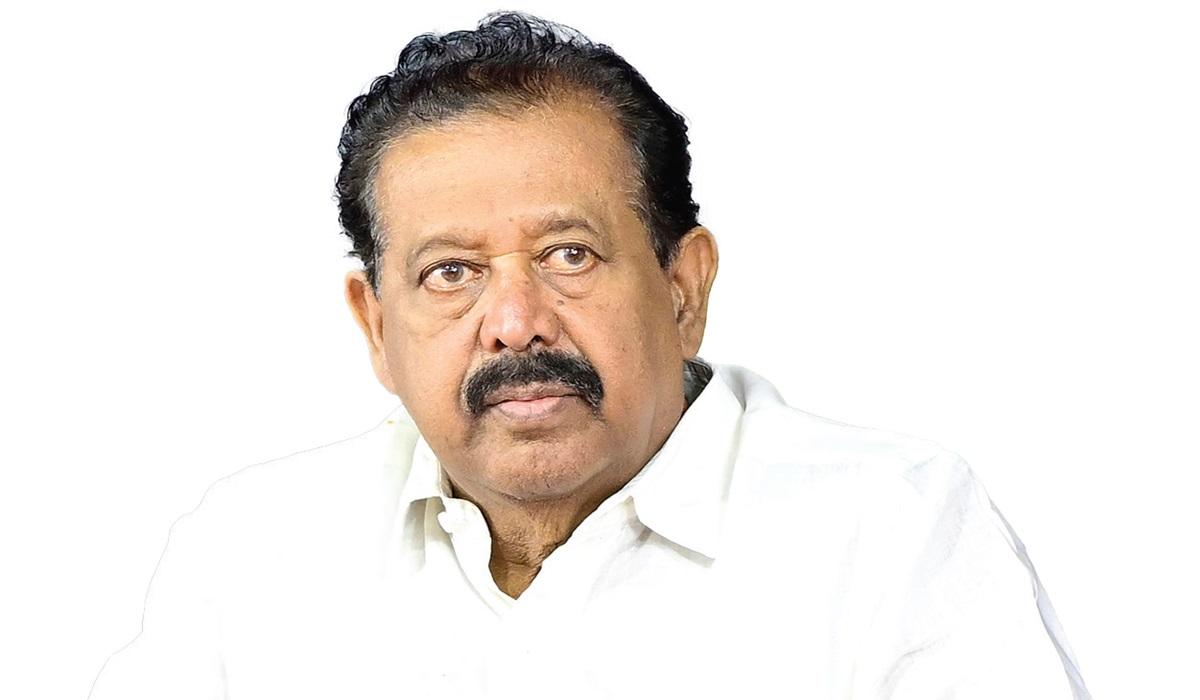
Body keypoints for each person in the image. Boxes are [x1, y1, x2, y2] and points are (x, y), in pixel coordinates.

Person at [90, 11, 1089, 699]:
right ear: (376, 327)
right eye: (450, 272)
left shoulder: (894, 531)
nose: (515, 322)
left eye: (568, 255)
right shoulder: (251, 552)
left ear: (683, 288)